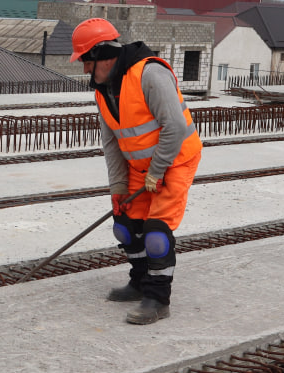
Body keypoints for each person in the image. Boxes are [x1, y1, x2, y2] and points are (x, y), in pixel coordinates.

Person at [71, 18, 203, 325]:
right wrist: (118, 190)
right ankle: (139, 282)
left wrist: (157, 172)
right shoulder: (104, 91)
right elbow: (111, 144)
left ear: (104, 54)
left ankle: (157, 299)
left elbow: (174, 126)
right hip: (140, 168)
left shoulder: (150, 74)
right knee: (125, 225)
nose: (85, 71)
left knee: (156, 232)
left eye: (87, 62)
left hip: (175, 161)